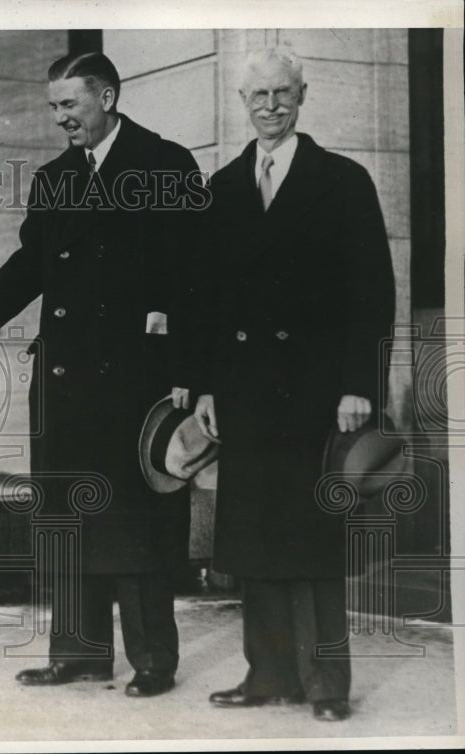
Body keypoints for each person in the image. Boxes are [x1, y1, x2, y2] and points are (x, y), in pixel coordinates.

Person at [0, 52, 202, 697]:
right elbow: (32, 266)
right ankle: (79, 654)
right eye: (53, 106)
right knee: (68, 516)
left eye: (70, 105)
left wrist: (186, 370)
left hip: (136, 380)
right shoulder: (56, 178)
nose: (60, 118)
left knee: (134, 521)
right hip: (64, 377)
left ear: (108, 97)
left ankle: (152, 661)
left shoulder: (165, 165)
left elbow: (195, 277)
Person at [189, 48, 395, 722]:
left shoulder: (342, 180)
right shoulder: (222, 188)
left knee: (313, 542)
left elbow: (371, 294)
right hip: (245, 391)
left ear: (302, 95)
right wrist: (207, 389)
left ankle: (327, 683)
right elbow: (209, 302)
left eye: (282, 93)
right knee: (253, 535)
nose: (271, 106)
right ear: (242, 104)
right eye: (259, 96)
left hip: (318, 395)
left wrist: (358, 385)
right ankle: (267, 675)